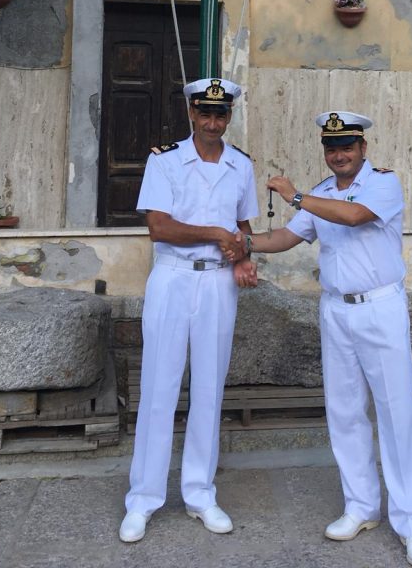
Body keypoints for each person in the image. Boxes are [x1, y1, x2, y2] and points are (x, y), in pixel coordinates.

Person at [247, 111, 412, 568]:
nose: (340, 154)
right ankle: (361, 506)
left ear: (363, 148)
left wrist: (294, 194)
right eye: (332, 148)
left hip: (381, 308)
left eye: (347, 145)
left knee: (396, 414)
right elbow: (286, 238)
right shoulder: (322, 193)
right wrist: (239, 242)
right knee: (345, 412)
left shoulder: (382, 184)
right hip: (336, 309)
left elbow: (354, 217)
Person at [119, 77, 257, 544]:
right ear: (191, 113)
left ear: (229, 117)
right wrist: (218, 236)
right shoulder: (165, 160)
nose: (213, 122)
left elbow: (242, 224)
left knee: (209, 389)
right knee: (159, 387)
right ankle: (143, 498)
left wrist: (244, 258)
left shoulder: (241, 165)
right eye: (205, 113)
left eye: (221, 115)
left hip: (219, 283)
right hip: (173, 278)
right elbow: (159, 227)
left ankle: (200, 492)